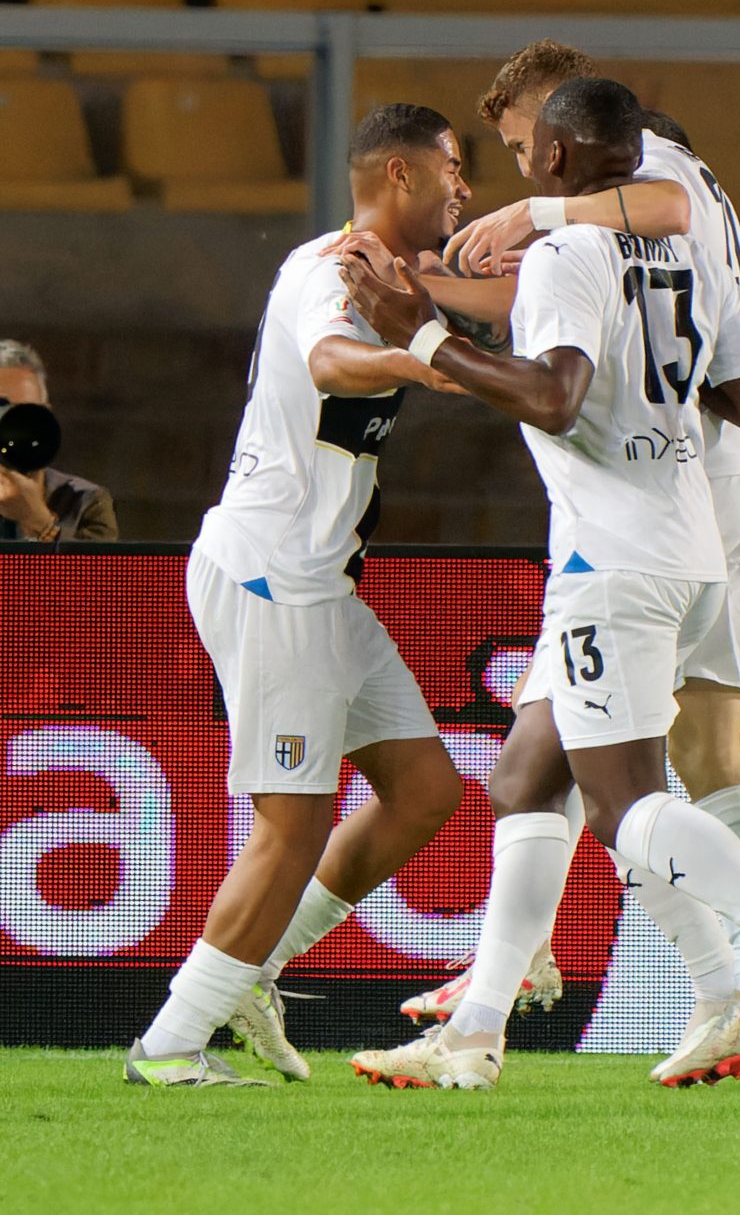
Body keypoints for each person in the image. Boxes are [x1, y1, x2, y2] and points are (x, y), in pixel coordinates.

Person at [339, 76, 740, 1095]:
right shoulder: (687, 252)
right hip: (690, 540)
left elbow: (553, 395)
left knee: (626, 801)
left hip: (613, 558)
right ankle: (478, 1031)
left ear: (554, 158)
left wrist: (422, 334)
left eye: (523, 153)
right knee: (526, 776)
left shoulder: (565, 252)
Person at [123, 105, 476, 1087]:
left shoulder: (395, 277)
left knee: (424, 791)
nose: (465, 186)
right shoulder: (330, 268)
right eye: (453, 165)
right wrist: (420, 359)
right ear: (398, 172)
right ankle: (168, 1045)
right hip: (274, 577)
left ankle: (252, 972)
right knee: (291, 825)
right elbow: (327, 361)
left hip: (319, 587)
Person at [0, 340, 118, 542]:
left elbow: (97, 563)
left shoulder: (85, 502)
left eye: (26, 411)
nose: (13, 425)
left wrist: (40, 522)